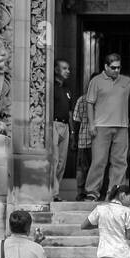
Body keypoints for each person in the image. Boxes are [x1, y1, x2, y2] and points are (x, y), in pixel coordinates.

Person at [84, 54, 130, 201]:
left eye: (119, 67)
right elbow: (89, 103)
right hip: (101, 126)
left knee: (119, 162)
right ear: (105, 67)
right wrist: (91, 124)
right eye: (113, 68)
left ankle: (115, 193)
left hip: (122, 126)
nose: (116, 70)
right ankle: (92, 192)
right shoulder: (96, 81)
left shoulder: (125, 80)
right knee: (99, 160)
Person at [50, 58, 73, 201]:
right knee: (54, 159)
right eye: (64, 68)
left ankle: (55, 191)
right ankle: (53, 193)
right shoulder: (51, 87)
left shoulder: (66, 89)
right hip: (53, 125)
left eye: (68, 68)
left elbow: (69, 112)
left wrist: (72, 131)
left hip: (65, 126)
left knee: (62, 162)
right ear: (56, 70)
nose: (68, 71)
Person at [72, 92, 92, 201]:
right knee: (95, 167)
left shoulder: (81, 99)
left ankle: (81, 193)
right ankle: (93, 191)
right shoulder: (103, 99)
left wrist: (74, 138)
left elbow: (76, 121)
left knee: (82, 168)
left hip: (83, 139)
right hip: (99, 141)